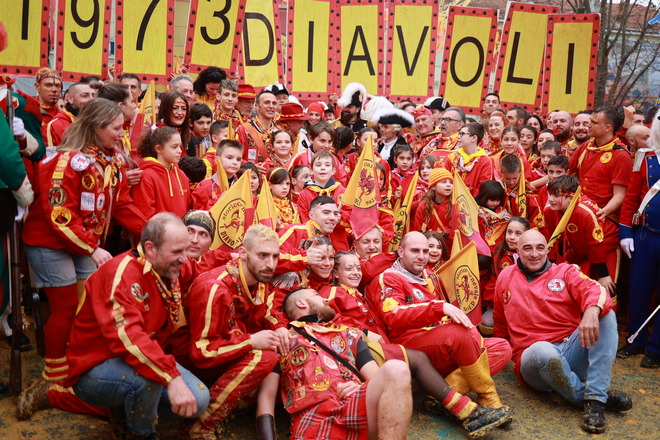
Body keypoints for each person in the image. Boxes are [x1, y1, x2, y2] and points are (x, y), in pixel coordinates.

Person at [22, 98, 147, 381]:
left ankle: (79, 362)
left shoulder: (112, 160)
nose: (122, 134)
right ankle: (55, 375)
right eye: (116, 128)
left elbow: (122, 205)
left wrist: (153, 231)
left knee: (88, 305)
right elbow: (60, 214)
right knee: (65, 307)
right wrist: (91, 248)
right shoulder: (64, 161)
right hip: (50, 241)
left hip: (83, 243)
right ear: (97, 127)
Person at [63, 213, 211, 439]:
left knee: (199, 399)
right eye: (177, 252)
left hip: (139, 355)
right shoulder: (120, 274)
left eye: (185, 251)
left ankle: (125, 410)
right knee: (148, 378)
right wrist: (171, 377)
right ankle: (140, 433)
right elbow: (130, 338)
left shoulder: (166, 265)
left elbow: (203, 266)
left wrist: (243, 259)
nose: (184, 259)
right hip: (96, 364)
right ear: (150, 248)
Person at [493, 230, 632, 434]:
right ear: (517, 251)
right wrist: (502, 354)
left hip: (570, 351)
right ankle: (592, 399)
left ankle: (595, 399)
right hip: (532, 362)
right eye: (527, 248)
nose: (534, 254)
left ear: (547, 250)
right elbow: (500, 322)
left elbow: (596, 290)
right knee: (542, 350)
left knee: (606, 315)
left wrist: (592, 310)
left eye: (540, 248)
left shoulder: (565, 272)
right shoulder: (505, 276)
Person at [365, 232, 512, 409]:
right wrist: (439, 307)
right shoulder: (388, 278)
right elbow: (394, 316)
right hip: (411, 347)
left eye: (425, 251)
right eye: (415, 251)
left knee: (502, 348)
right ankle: (488, 396)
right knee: (458, 334)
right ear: (401, 252)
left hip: (442, 342)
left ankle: (443, 392)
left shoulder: (430, 276)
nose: (422, 256)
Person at [256, 287, 413, 440]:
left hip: (355, 408)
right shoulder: (281, 342)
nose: (326, 299)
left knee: (397, 369)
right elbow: (266, 399)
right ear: (301, 303)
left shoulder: (349, 334)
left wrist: (360, 387)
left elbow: (377, 378)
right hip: (315, 421)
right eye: (317, 295)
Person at [186, 224, 289, 439]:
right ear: (242, 253)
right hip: (190, 358)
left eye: (275, 256)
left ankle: (240, 403)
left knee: (282, 347)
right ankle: (199, 426)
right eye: (262, 255)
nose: (270, 264)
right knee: (264, 357)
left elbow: (265, 314)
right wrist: (251, 341)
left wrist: (279, 327)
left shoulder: (259, 280)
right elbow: (201, 352)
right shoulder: (214, 288)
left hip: (226, 347)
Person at [617, 113, 660, 368]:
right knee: (639, 289)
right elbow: (632, 197)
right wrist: (625, 232)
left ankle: (656, 348)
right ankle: (636, 339)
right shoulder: (645, 157)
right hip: (645, 235)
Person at [569, 107, 632, 223]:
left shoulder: (621, 155)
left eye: (594, 123)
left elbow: (620, 195)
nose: (589, 125)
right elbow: (566, 172)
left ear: (608, 128)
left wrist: (603, 212)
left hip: (604, 217)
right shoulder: (585, 147)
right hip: (580, 210)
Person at [134, 126, 191, 218]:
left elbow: (187, 208)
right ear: (159, 149)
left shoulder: (181, 175)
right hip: (158, 227)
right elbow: (146, 213)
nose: (180, 151)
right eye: (174, 147)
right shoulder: (147, 176)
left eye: (180, 146)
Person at [43, 82, 96, 147]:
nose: (92, 99)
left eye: (94, 96)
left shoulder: (98, 122)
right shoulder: (55, 126)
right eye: (85, 96)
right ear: (70, 98)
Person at [236, 89, 278, 164]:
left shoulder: (279, 131)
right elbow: (234, 156)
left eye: (274, 103)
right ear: (257, 106)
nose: (271, 106)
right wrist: (250, 166)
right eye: (267, 103)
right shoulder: (244, 129)